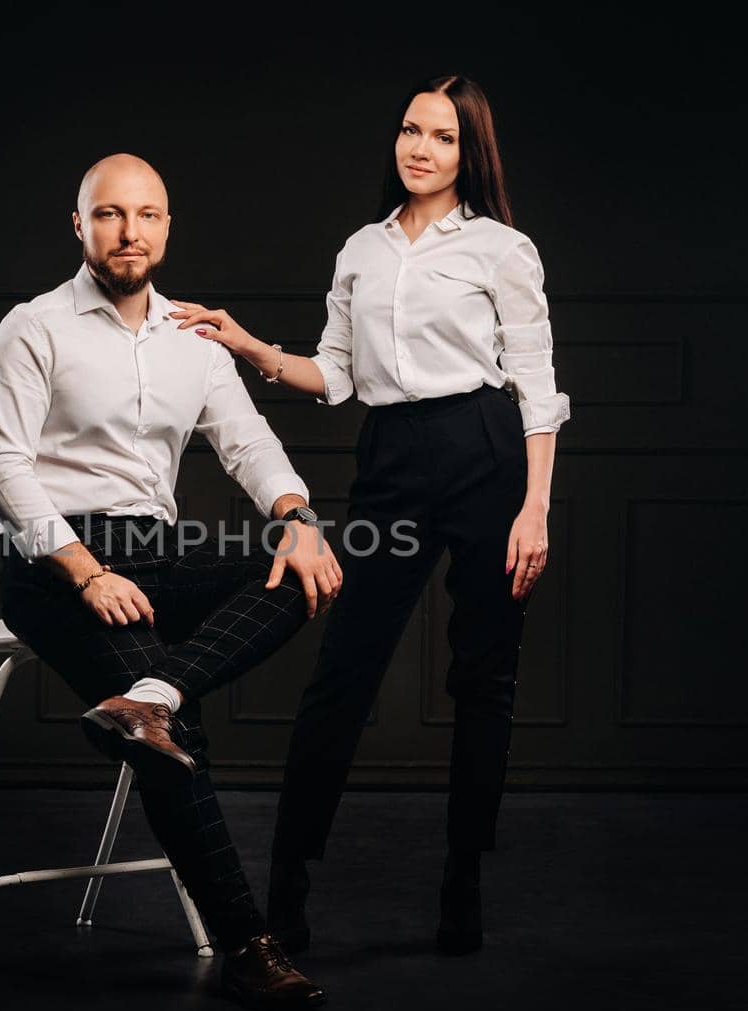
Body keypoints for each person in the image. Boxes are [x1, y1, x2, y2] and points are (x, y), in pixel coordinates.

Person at [168, 74, 569, 956]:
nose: (420, 148)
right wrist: (248, 345)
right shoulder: (361, 249)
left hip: (488, 456)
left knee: (483, 681)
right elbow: (337, 375)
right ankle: (287, 887)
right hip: (390, 461)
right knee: (342, 673)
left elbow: (537, 388)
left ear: (471, 153)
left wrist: (534, 507)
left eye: (443, 137)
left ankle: (463, 878)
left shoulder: (503, 249)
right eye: (410, 130)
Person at [0, 153, 344, 1011]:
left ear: (168, 226)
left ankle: (152, 692)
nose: (129, 231)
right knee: (171, 744)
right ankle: (250, 949)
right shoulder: (32, 328)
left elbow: (248, 444)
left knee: (302, 565)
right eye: (109, 214)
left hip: (156, 554)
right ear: (79, 225)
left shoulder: (191, 337)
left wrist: (297, 511)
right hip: (58, 566)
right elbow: (2, 467)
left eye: (146, 215)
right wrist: (85, 570)